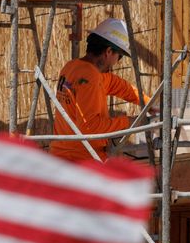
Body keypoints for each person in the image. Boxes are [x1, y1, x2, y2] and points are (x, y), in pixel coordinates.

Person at [49, 18, 149, 162]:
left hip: (62, 157)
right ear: (108, 51)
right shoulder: (90, 76)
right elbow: (91, 128)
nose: (117, 62)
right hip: (81, 161)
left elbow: (116, 84)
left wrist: (147, 102)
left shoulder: (72, 67)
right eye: (119, 56)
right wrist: (130, 122)